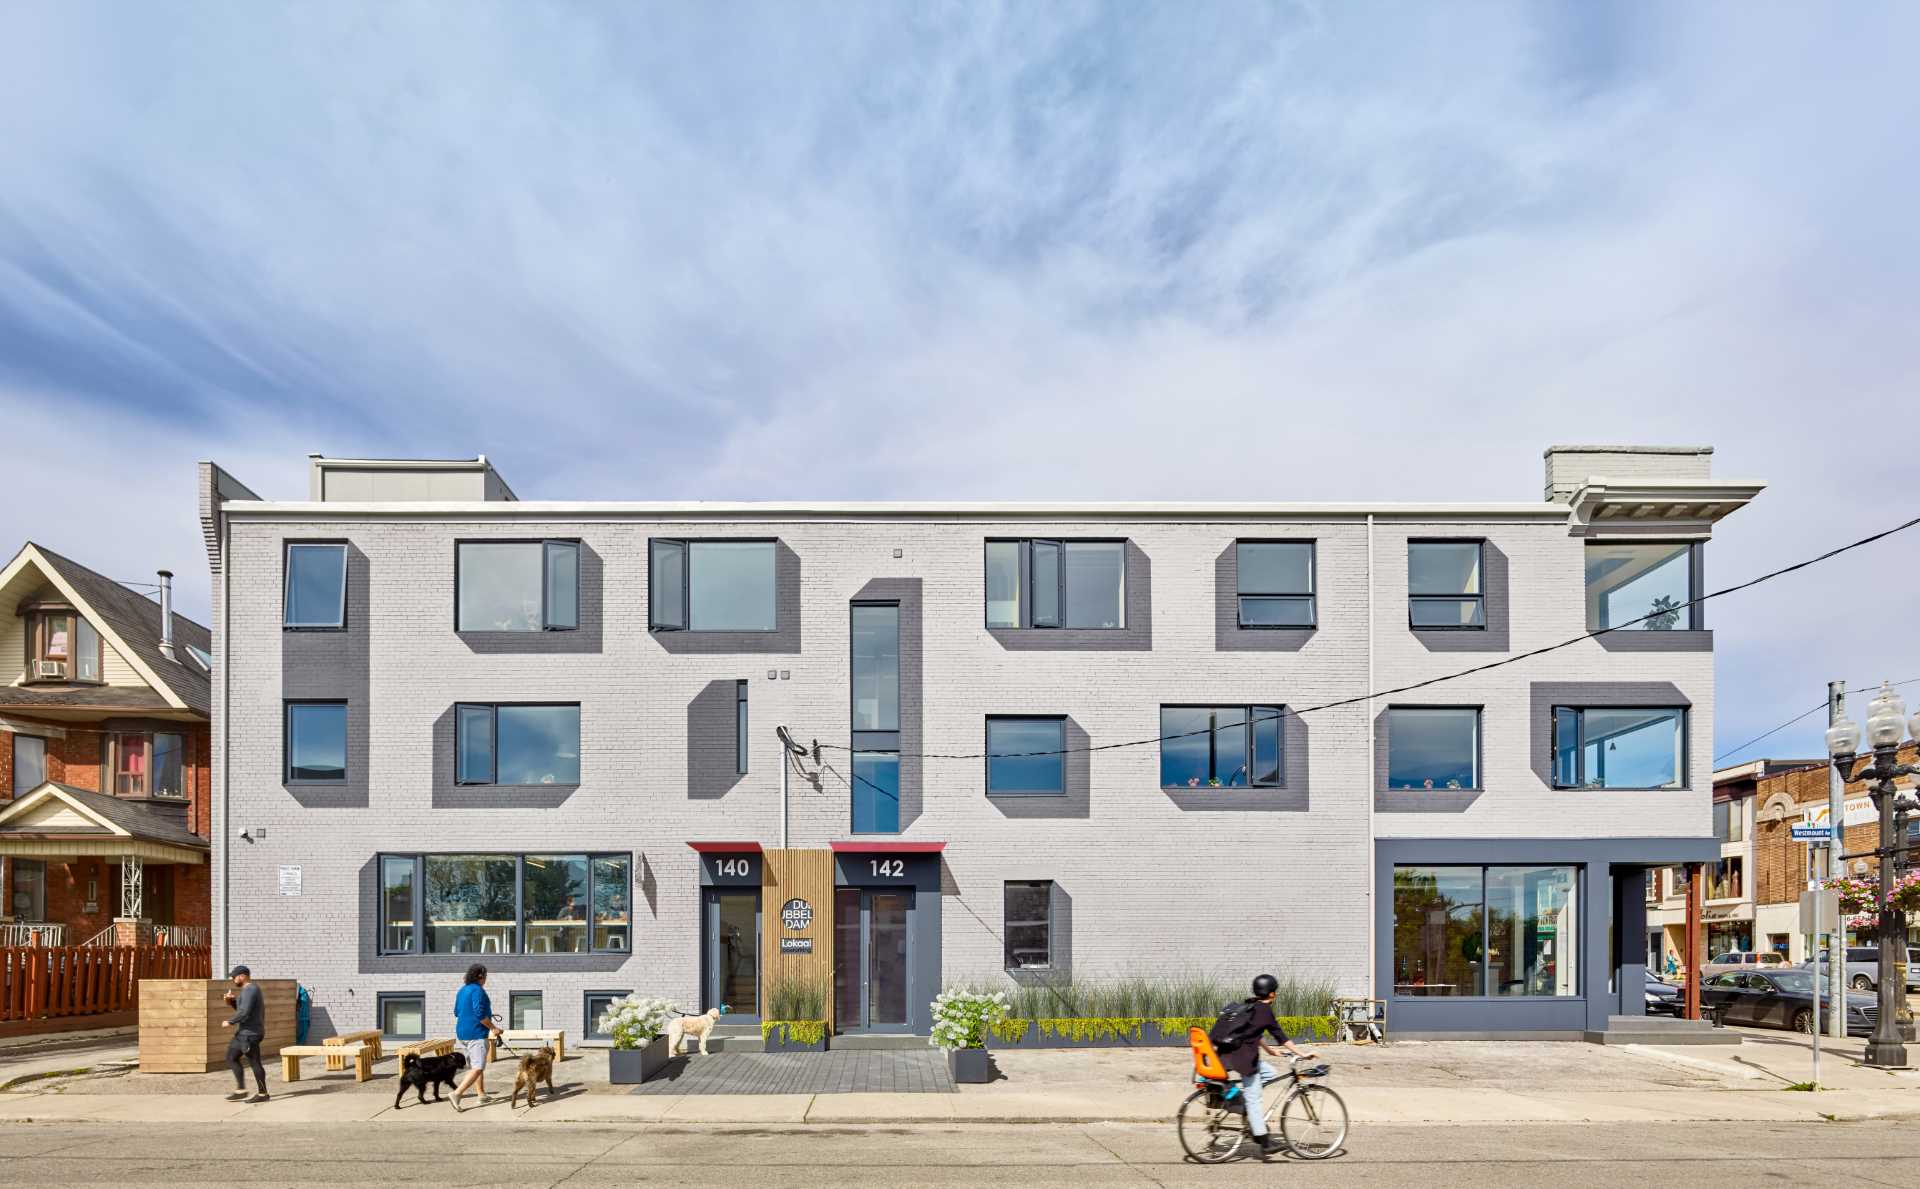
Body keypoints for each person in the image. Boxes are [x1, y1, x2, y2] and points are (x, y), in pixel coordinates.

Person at [1218, 973, 1319, 1157]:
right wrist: (1303, 1054)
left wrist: (1270, 1051)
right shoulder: (1266, 1012)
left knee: (1269, 1073)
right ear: (1271, 994)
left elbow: (1253, 1032)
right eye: (1275, 992)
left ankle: (1246, 1106)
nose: (1276, 994)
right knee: (1254, 1099)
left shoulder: (1252, 1005)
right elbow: (1282, 1037)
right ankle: (1263, 1141)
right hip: (1244, 1058)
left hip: (1234, 1054)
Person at [450, 963, 503, 1111]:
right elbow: (479, 1014)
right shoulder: (478, 991)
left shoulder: (462, 990)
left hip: (462, 1033)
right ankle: (457, 1094)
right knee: (478, 1067)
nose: (486, 979)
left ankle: (481, 1095)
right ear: (480, 976)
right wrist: (494, 1028)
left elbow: (456, 1012)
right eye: (485, 976)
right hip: (476, 1033)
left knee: (475, 1065)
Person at [221, 964, 269, 1103]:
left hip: (251, 1033)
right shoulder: (246, 990)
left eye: (234, 977)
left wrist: (230, 1021)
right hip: (243, 1032)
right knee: (231, 1057)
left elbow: (244, 1012)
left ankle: (262, 1094)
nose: (233, 979)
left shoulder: (251, 989)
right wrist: (231, 1002)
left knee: (254, 1063)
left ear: (242, 976)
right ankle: (241, 1090)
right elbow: (242, 1009)